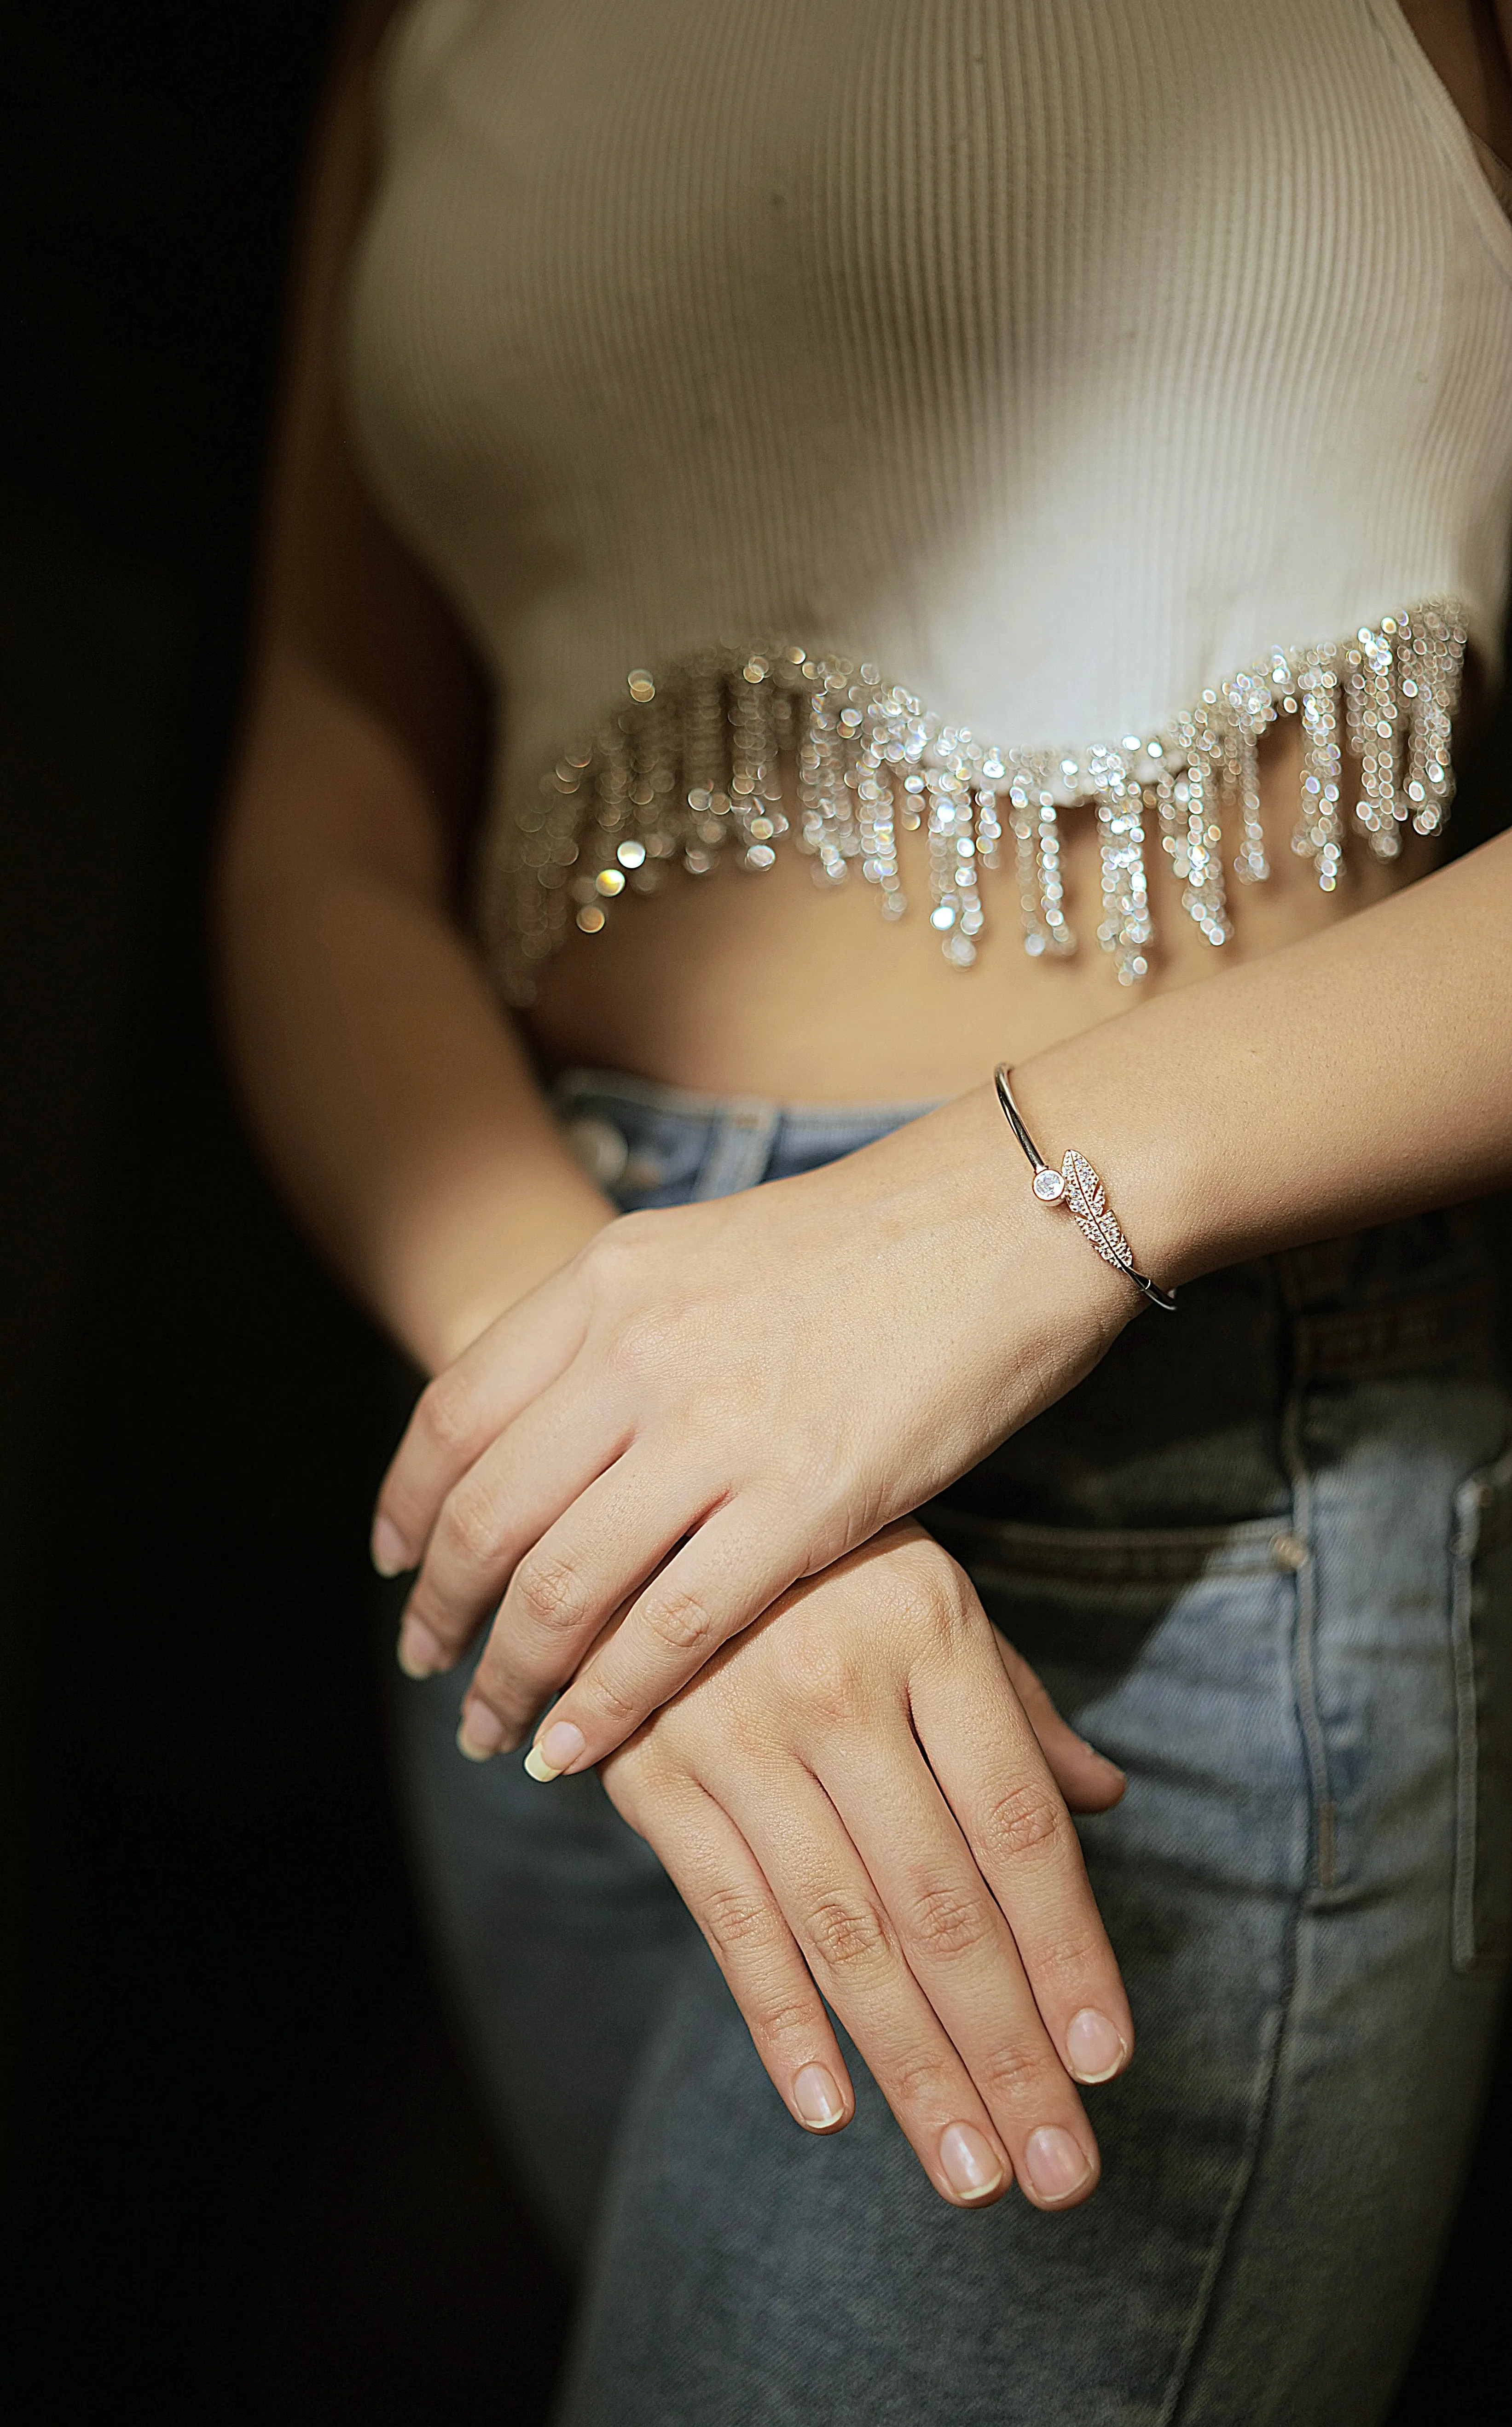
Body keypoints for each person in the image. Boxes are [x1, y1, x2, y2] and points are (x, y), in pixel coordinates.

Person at [216, 3, 1512, 2418]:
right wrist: (603, 1377)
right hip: (546, 1471)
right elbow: (328, 810)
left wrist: (1003, 1225)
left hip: (1166, 1495)